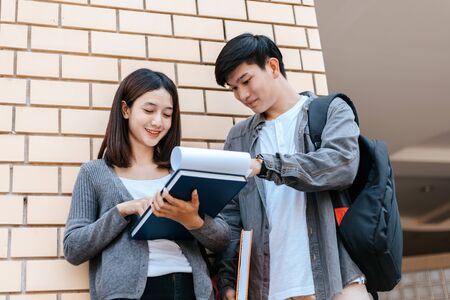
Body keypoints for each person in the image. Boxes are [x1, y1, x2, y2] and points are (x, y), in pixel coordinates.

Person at [214, 33, 371, 300]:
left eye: (246, 81)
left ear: (273, 67)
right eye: (233, 88)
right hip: (270, 289)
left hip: (337, 282)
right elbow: (231, 217)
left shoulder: (331, 110)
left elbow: (341, 164)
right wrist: (229, 280)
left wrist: (266, 166)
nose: (241, 95)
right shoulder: (238, 138)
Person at [64, 68, 230, 300]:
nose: (158, 122)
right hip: (126, 293)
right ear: (125, 109)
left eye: (167, 114)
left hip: (189, 288)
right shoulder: (94, 173)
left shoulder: (183, 171)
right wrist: (124, 210)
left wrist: (192, 220)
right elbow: (73, 248)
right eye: (149, 110)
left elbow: (223, 239)